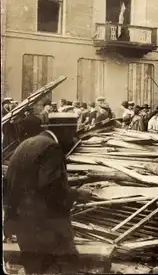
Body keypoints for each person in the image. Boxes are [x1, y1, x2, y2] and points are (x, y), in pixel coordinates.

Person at [3, 112, 93, 274]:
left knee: (35, 268)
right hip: (46, 228)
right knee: (67, 265)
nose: (73, 139)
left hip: (23, 226)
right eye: (73, 133)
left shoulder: (26, 144)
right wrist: (77, 194)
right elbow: (50, 190)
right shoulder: (52, 148)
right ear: (64, 130)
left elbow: (19, 183)